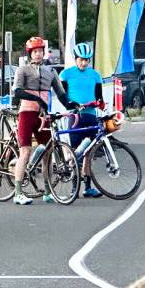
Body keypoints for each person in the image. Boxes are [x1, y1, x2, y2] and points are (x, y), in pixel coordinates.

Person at [11, 36, 72, 206]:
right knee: (25, 152)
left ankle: (47, 192)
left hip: (43, 117)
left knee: (48, 153)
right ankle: (18, 193)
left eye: (40, 51)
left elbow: (61, 95)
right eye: (35, 51)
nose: (38, 54)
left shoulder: (50, 71)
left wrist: (72, 105)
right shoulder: (22, 70)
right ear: (30, 53)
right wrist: (37, 99)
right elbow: (17, 92)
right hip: (26, 114)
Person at [59, 42, 104, 199]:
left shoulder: (95, 75)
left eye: (87, 60)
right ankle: (74, 187)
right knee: (75, 152)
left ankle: (88, 187)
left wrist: (99, 103)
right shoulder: (66, 74)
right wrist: (73, 105)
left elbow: (99, 97)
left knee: (89, 152)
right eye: (81, 59)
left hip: (91, 115)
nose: (84, 63)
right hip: (75, 117)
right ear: (75, 58)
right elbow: (63, 97)